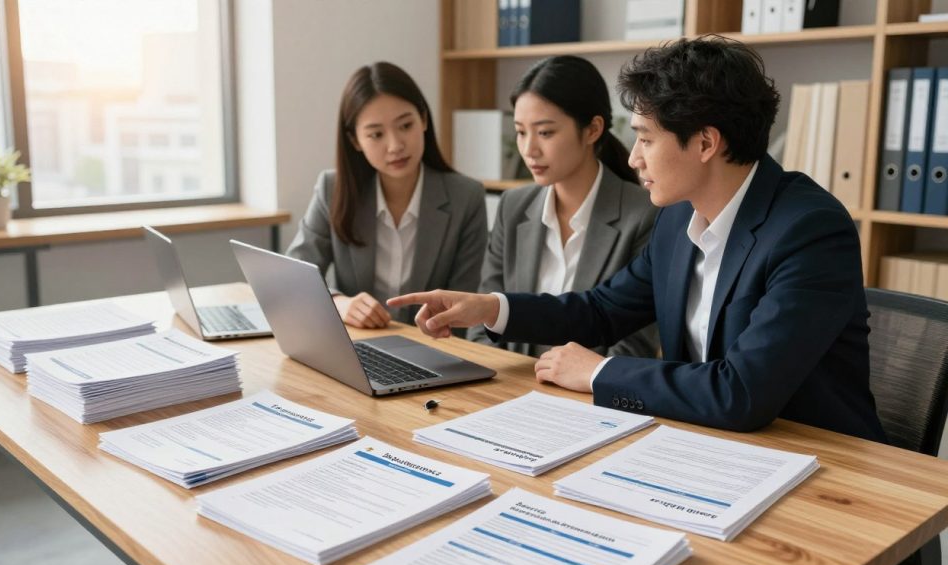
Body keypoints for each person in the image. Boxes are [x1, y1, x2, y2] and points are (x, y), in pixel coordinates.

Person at [390, 36, 886, 442]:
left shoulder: (810, 230)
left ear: (706, 143)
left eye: (646, 138)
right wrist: (490, 308)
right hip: (707, 444)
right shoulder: (678, 219)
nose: (632, 158)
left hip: (816, 465)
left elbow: (742, 392)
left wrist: (598, 373)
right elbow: (602, 310)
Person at [468, 55, 658, 359]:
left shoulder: (644, 215)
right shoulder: (512, 206)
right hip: (509, 392)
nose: (529, 149)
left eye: (545, 132)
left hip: (588, 398)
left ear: (593, 130)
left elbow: (634, 346)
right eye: (520, 132)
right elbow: (482, 323)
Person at [287, 62, 487, 327]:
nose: (395, 146)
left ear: (423, 120)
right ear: (355, 140)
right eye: (376, 134)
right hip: (355, 346)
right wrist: (338, 303)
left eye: (405, 126)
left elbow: (466, 305)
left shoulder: (466, 197)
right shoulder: (332, 189)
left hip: (434, 350)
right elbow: (292, 278)